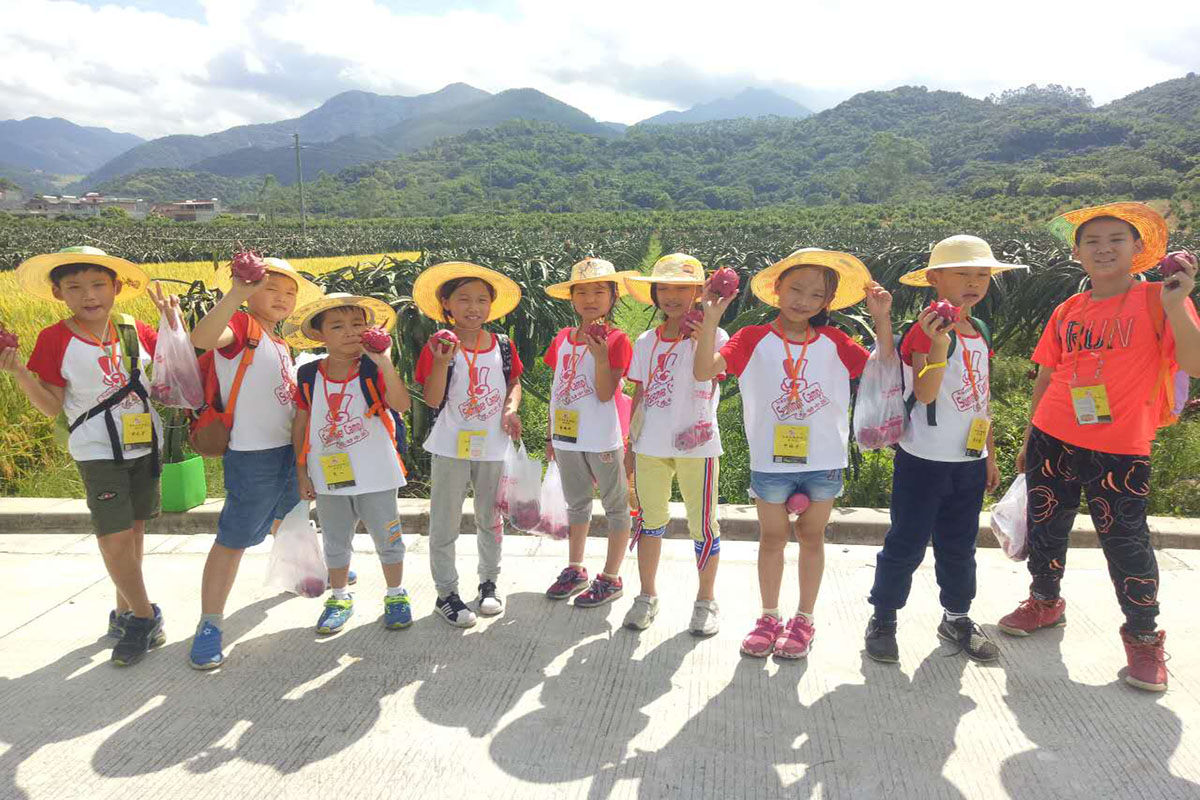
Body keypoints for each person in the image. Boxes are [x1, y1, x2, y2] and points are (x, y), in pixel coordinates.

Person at [998, 202, 1200, 692]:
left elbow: (1194, 363)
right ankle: (1045, 602)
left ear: (1137, 249)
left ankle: (1144, 636)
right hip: (1053, 435)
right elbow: (1047, 375)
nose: (1103, 248)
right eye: (1092, 241)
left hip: (1120, 446)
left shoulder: (1158, 299)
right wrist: (1029, 437)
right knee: (1047, 528)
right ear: (1077, 253)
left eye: (1115, 239)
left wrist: (1178, 304)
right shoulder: (1068, 309)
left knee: (1125, 541)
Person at [694, 248, 893, 659]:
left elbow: (883, 369)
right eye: (796, 289)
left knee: (811, 537)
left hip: (824, 460)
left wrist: (882, 320)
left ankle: (804, 619)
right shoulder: (753, 338)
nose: (804, 300)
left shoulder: (836, 341)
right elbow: (704, 370)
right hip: (771, 461)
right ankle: (769, 616)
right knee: (772, 538)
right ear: (776, 289)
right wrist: (711, 320)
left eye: (816, 295)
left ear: (828, 301)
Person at [6, 246, 174, 665]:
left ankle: (123, 612)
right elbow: (51, 406)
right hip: (96, 450)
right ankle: (145, 617)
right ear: (58, 293)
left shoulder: (134, 329)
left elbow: (173, 369)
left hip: (144, 444)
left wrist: (173, 326)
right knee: (112, 537)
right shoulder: (55, 338)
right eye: (74, 287)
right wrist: (18, 372)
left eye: (98, 284)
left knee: (134, 533)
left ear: (116, 287)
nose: (89, 295)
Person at [865, 235, 1028, 664]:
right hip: (924, 459)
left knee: (960, 545)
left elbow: (981, 398)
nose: (974, 282)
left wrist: (989, 454)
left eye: (982, 275)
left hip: (968, 462)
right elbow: (925, 392)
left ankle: (956, 616)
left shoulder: (980, 330)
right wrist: (938, 344)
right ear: (935, 278)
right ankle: (884, 618)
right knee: (906, 542)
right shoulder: (926, 330)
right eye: (962, 274)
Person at [187, 257, 322, 669]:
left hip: (286, 450)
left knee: (290, 512)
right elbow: (203, 338)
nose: (282, 298)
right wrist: (236, 295)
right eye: (271, 289)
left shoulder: (279, 342)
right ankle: (209, 623)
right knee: (235, 538)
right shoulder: (241, 327)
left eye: (289, 293)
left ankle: (302, 569)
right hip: (252, 453)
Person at [290, 293, 413, 634]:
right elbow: (301, 424)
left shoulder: (373, 368)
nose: (349, 332)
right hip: (329, 476)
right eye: (337, 326)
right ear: (319, 335)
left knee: (389, 539)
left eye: (357, 324)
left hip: (377, 473)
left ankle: (396, 594)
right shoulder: (308, 375)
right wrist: (301, 471)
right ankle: (339, 596)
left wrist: (385, 361)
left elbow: (401, 404)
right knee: (334, 540)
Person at [412, 262, 524, 627]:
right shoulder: (439, 345)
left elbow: (513, 383)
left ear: (491, 305)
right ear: (446, 303)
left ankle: (489, 583)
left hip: (492, 446)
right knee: (445, 522)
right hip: (450, 447)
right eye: (463, 299)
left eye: (481, 300)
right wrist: (441, 362)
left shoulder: (503, 345)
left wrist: (510, 409)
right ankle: (446, 593)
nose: (473, 307)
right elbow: (431, 399)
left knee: (490, 519)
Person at [621, 254, 727, 635]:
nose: (672, 296)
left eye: (682, 288)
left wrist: (706, 330)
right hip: (651, 444)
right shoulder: (645, 341)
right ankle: (646, 595)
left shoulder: (715, 336)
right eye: (664, 287)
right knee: (649, 521)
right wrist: (630, 446)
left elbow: (709, 377)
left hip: (697, 445)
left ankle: (705, 601)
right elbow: (640, 394)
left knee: (703, 525)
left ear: (698, 291)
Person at [542, 257, 638, 607]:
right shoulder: (562, 339)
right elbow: (557, 389)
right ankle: (575, 568)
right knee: (577, 504)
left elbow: (605, 393)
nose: (590, 299)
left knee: (615, 507)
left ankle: (611, 577)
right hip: (567, 439)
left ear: (613, 296)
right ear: (571, 298)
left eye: (599, 291)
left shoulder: (617, 339)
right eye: (581, 292)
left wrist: (600, 357)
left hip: (601, 439)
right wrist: (551, 435)